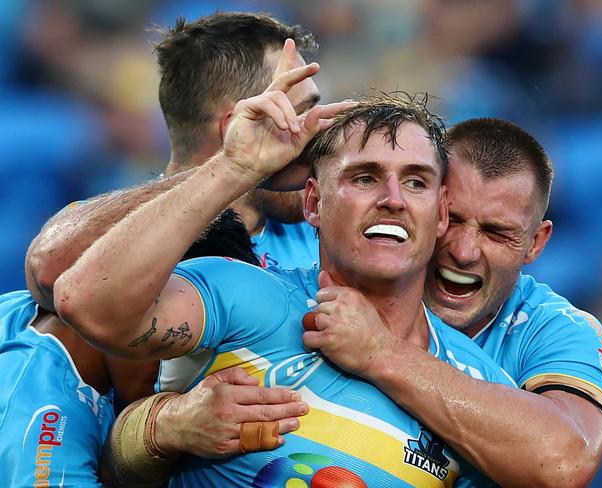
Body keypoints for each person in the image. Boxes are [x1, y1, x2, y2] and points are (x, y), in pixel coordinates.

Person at [53, 77, 518, 487]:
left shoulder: (476, 384)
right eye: (364, 178)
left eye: (416, 182)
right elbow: (84, 302)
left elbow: (559, 467)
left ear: (440, 214)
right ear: (313, 203)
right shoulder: (246, 295)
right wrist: (235, 169)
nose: (392, 199)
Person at [302, 118, 602, 487]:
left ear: (536, 242)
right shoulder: (342, 261)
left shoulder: (557, 329)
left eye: (497, 233)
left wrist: (380, 352)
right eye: (452, 219)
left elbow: (565, 465)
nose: (464, 252)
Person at [26, 12, 322, 320]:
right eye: (300, 114)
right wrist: (234, 168)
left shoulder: (328, 226)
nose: (317, 133)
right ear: (238, 127)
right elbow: (48, 269)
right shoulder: (125, 241)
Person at [0, 211, 309, 488]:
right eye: (187, 341)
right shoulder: (46, 419)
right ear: (136, 306)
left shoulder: (21, 316)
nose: (195, 381)